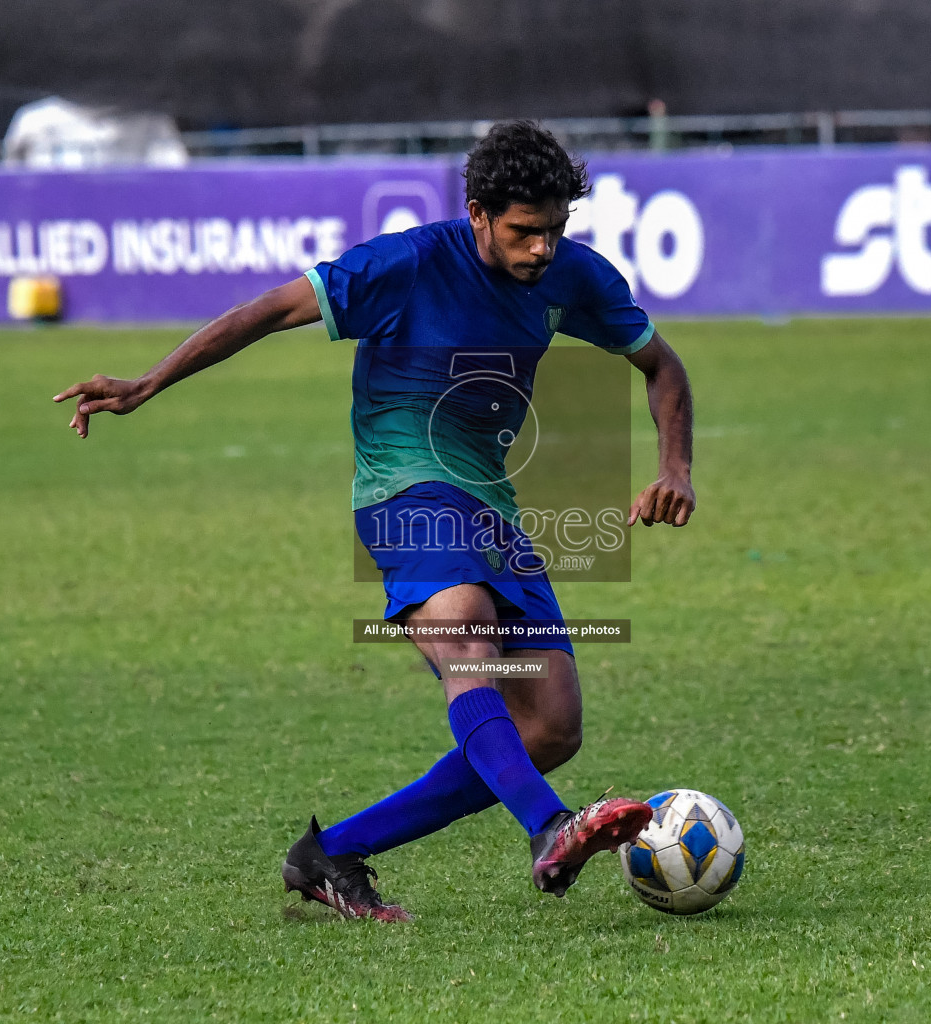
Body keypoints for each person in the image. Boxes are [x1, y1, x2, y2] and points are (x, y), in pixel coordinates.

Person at [53, 121, 695, 921]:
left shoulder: (571, 276)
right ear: (478, 214)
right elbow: (266, 310)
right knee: (467, 635)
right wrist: (149, 382)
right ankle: (550, 826)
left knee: (552, 725)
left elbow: (661, 363)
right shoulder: (407, 264)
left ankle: (330, 855)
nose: (541, 250)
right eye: (525, 232)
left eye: (555, 231)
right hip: (404, 492)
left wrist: (675, 468)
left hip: (491, 506)